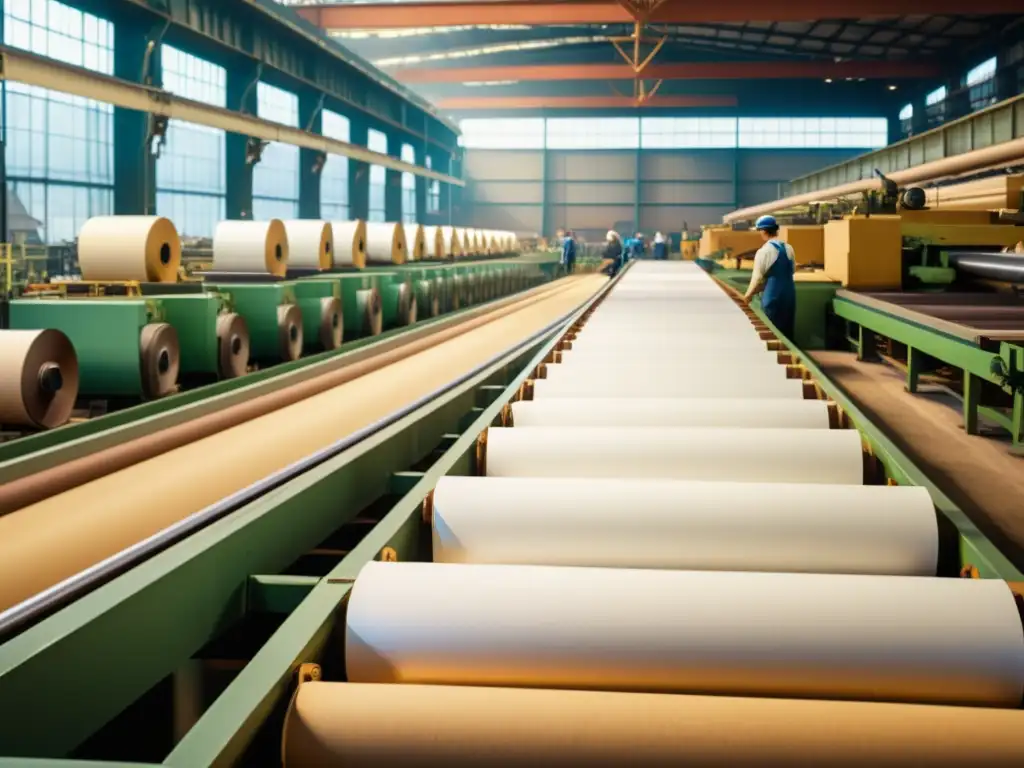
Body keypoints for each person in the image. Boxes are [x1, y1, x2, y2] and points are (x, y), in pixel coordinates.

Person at [744, 215, 796, 340]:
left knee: (771, 329)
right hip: (789, 294)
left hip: (772, 296)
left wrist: (747, 296)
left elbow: (757, 278)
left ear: (763, 231)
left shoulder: (764, 251)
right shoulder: (788, 248)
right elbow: (791, 271)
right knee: (787, 331)